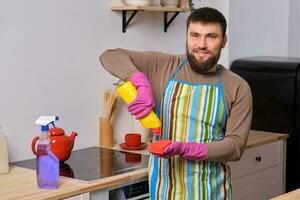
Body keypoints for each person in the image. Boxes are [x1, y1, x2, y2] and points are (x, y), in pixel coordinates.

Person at [99, 7, 252, 200]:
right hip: (164, 191)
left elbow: (235, 147)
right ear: (187, 37)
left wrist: (184, 149)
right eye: (194, 35)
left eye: (211, 36)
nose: (201, 44)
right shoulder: (165, 66)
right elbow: (110, 55)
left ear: (224, 41)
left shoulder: (237, 86)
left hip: (211, 192)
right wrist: (140, 81)